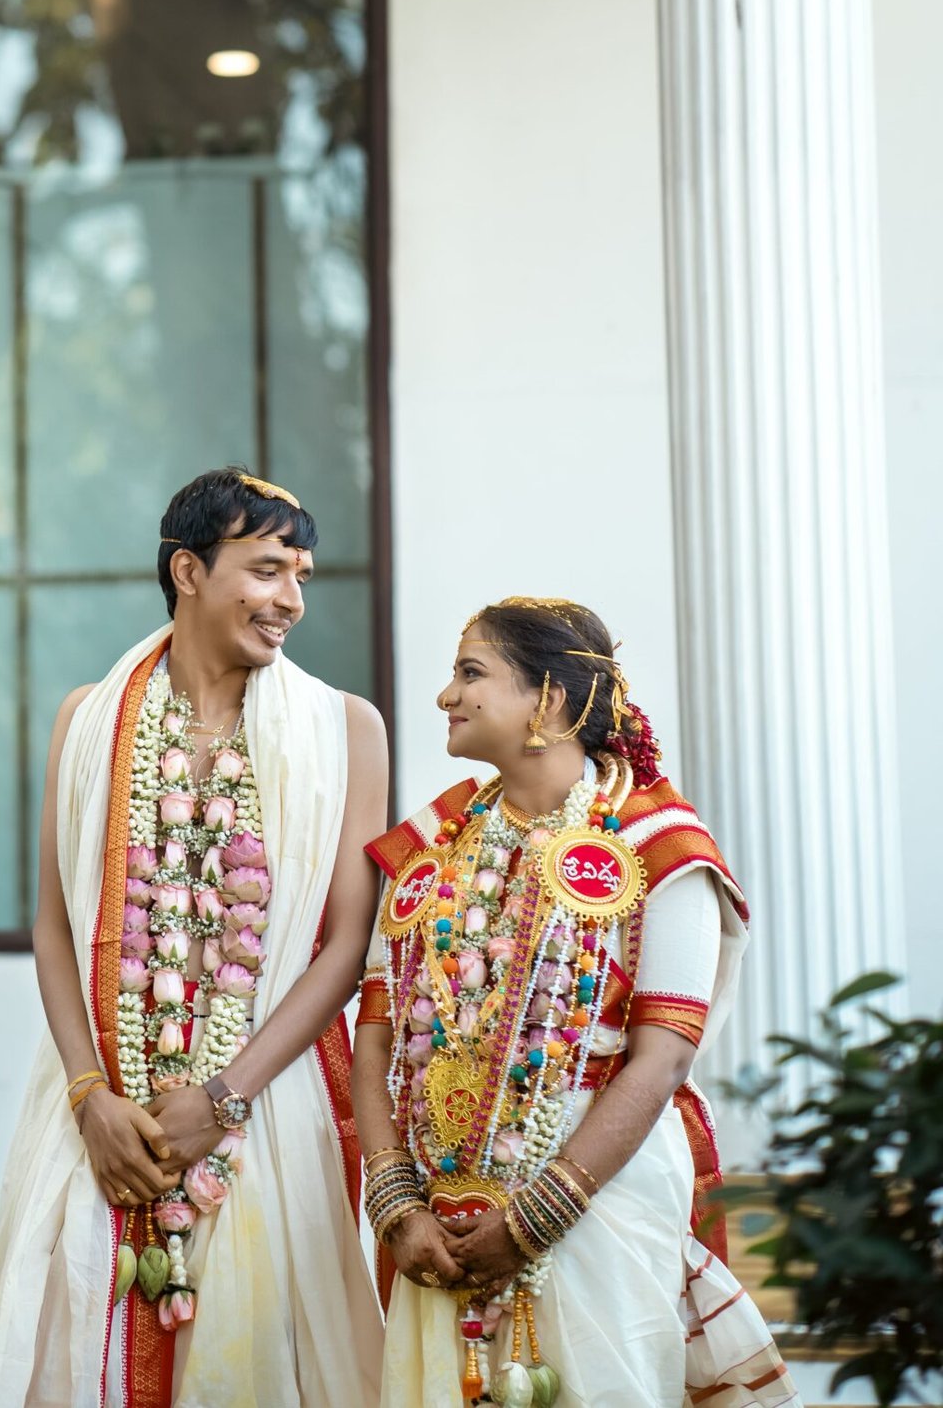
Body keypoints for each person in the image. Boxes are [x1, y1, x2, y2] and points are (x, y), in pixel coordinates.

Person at [0, 466, 387, 1408]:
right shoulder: (87, 719)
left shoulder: (347, 729)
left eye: (302, 576)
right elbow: (55, 927)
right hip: (102, 1117)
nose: (292, 601)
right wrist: (88, 1097)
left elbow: (346, 948)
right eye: (267, 570)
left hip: (266, 1112)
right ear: (189, 571)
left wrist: (223, 1098)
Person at [352, 595, 799, 1408]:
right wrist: (396, 1207)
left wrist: (537, 1217)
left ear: (549, 698)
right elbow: (376, 1042)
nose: (447, 695)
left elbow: (662, 1061)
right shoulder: (433, 844)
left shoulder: (658, 846)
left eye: (471, 673)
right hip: (435, 1219)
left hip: (599, 1207)